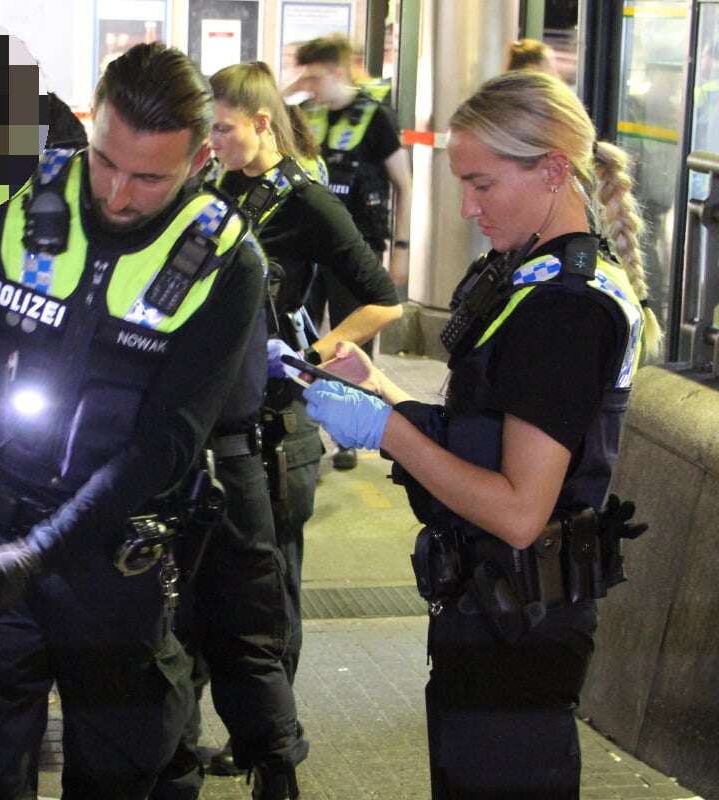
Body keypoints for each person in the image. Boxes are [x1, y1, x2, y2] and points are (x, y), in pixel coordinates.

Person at [301, 70, 660, 798]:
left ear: (554, 169)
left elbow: (519, 511)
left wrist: (384, 433)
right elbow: (482, 437)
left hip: (521, 619)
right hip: (498, 611)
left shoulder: (563, 308)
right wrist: (381, 390)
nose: (467, 206)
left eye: (483, 184)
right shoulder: (532, 276)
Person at [0, 42, 265, 799]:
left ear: (200, 158)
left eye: (150, 177)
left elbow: (165, 445)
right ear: (92, 123)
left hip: (115, 562)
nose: (117, 195)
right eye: (107, 161)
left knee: (117, 772)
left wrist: (41, 552)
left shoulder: (226, 263)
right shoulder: (6, 204)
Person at [198, 61, 400, 781]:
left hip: (279, 429)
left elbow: (383, 299)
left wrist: (311, 353)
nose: (212, 141)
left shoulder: (308, 201)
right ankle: (245, 730)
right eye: (207, 128)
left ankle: (274, 742)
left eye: (222, 128)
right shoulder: (213, 190)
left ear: (260, 122)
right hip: (217, 422)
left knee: (271, 590)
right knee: (211, 590)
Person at [292, 33, 413, 471]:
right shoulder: (307, 116)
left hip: (357, 251)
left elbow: (404, 182)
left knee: (351, 341)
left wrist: (402, 249)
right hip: (311, 251)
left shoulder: (374, 118)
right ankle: (305, 427)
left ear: (338, 71)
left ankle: (351, 431)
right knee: (303, 336)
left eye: (315, 76)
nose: (308, 85)